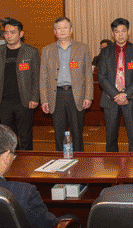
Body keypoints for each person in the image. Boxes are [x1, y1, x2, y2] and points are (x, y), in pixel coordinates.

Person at [40, 17, 93, 152]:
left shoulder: (83, 48)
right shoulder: (47, 50)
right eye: (59, 28)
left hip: (75, 95)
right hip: (56, 95)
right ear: (55, 32)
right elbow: (43, 76)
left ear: (71, 30)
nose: (62, 31)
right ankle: (60, 159)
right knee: (59, 132)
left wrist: (88, 96)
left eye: (65, 28)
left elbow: (88, 74)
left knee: (77, 132)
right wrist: (44, 99)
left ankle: (79, 159)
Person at [0, 19, 40, 150]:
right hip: (3, 101)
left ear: (21, 34)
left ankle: (27, 160)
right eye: (6, 33)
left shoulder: (31, 51)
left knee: (25, 135)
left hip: (24, 101)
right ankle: (11, 159)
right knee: (7, 137)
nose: (9, 35)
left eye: (12, 32)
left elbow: (36, 77)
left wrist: (35, 98)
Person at [98, 18, 133, 152]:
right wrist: (115, 94)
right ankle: (112, 162)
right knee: (111, 137)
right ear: (113, 34)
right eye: (117, 31)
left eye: (123, 31)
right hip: (110, 99)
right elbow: (102, 77)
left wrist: (126, 94)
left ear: (128, 32)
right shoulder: (105, 52)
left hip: (131, 99)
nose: (120, 34)